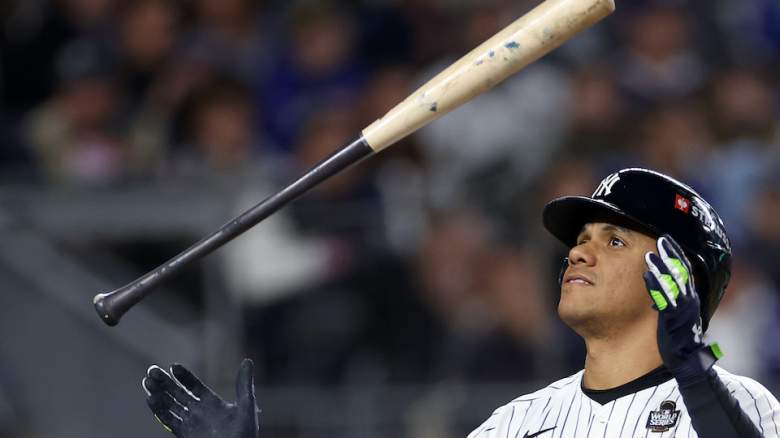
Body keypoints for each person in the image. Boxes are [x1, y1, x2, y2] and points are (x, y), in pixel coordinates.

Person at [140, 168, 780, 437]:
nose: (578, 253)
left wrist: (692, 368)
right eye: (579, 240)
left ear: (679, 275)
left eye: (612, 239)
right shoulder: (519, 422)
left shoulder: (742, 404)